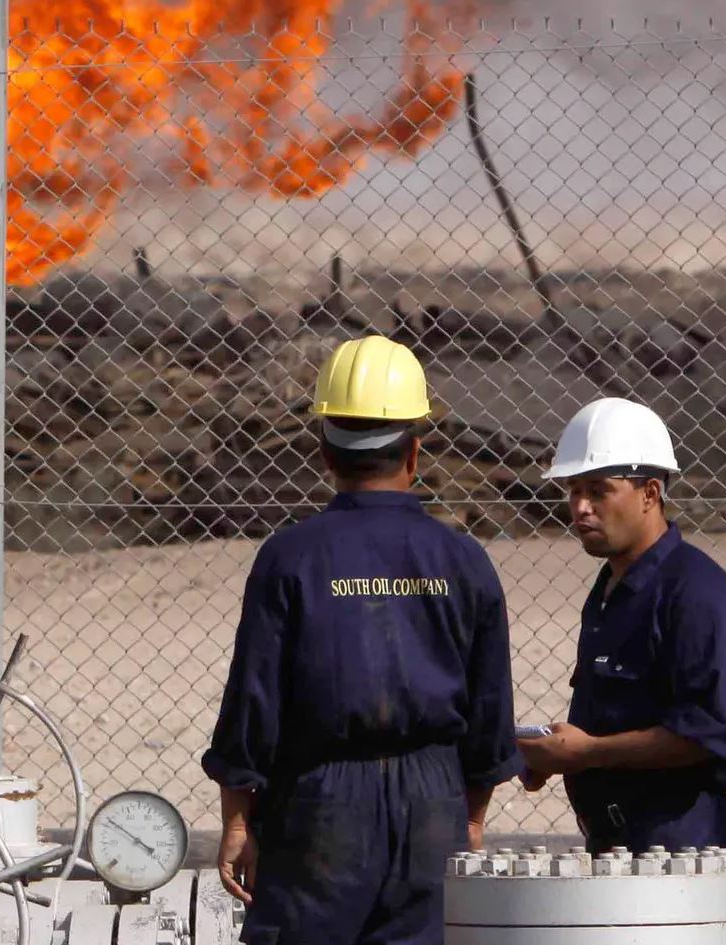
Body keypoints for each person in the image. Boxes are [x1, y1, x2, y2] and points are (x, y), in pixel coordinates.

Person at [202, 335, 519, 945]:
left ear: (325, 451)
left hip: (320, 804)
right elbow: (490, 709)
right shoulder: (463, 560)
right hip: (434, 799)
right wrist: (470, 818)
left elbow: (253, 702)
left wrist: (238, 820)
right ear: (415, 450)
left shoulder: (290, 558)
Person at [519, 397, 726, 853]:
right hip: (618, 845)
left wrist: (587, 753)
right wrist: (555, 754)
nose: (580, 507)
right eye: (573, 490)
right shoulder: (610, 590)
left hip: (683, 853)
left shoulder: (696, 594)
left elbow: (717, 733)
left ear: (650, 494)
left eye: (598, 490)